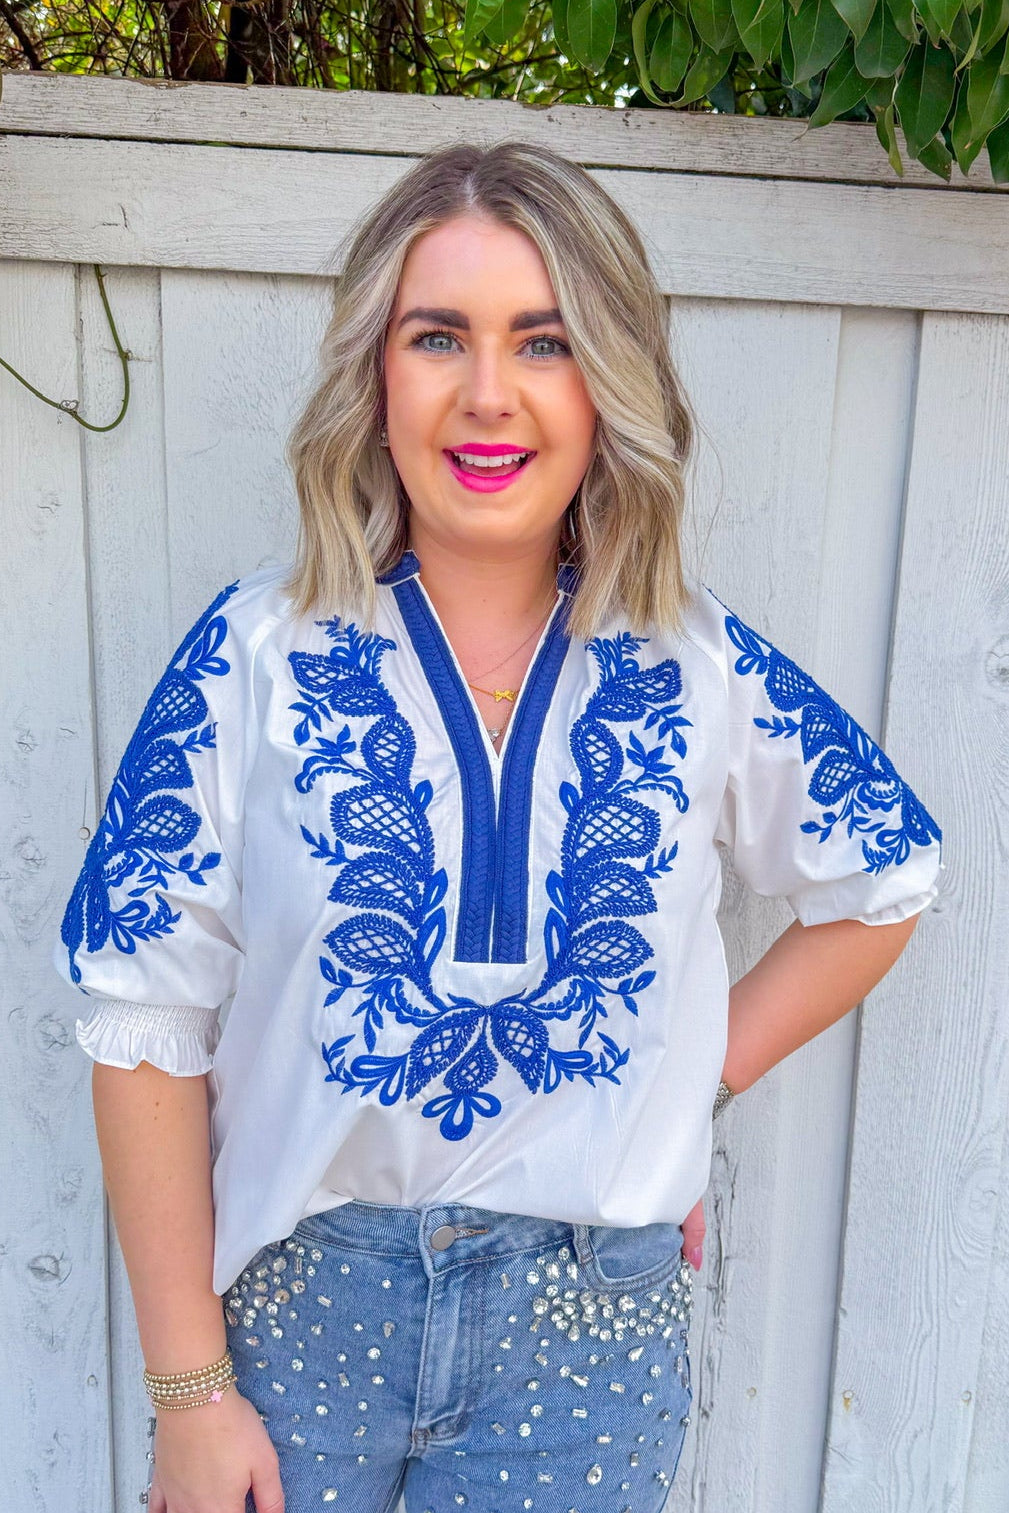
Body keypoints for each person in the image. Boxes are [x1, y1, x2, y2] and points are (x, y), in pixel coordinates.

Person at [54, 140, 943, 1513]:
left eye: (544, 341)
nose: (486, 393)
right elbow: (141, 1012)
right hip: (298, 1325)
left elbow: (883, 879)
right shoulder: (253, 657)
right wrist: (187, 1388)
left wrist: (684, 1079)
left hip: (588, 1341)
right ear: (374, 375)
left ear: (606, 385)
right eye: (436, 337)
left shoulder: (696, 668)